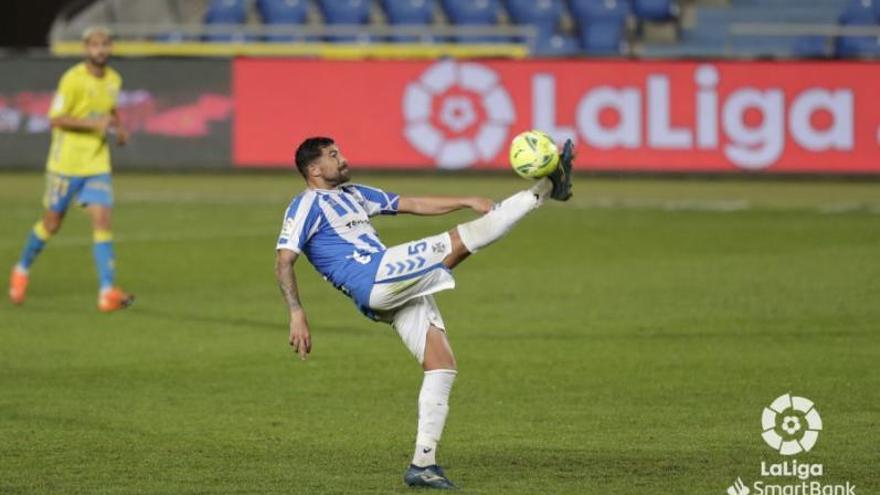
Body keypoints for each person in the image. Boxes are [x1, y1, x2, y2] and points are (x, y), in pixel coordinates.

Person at [274, 136, 574, 489]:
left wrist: (465, 199)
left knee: (441, 364)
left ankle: (423, 465)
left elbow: (412, 203)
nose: (342, 159)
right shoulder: (306, 204)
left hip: (389, 283)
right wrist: (296, 311)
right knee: (465, 240)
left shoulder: (353, 194)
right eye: (332, 155)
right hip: (374, 275)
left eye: (339, 152)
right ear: (313, 169)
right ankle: (548, 185)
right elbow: (284, 260)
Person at [8, 26, 133, 312]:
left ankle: (107, 291)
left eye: (105, 44)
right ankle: (22, 269)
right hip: (65, 165)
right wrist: (93, 125)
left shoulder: (114, 79)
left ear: (110, 47)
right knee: (52, 223)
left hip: (96, 163)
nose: (100, 50)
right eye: (94, 45)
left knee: (102, 220)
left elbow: (110, 108)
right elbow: (56, 119)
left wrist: (119, 126)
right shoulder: (72, 80)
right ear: (85, 49)